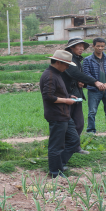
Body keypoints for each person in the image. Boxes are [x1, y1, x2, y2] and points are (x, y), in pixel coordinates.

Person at [62, 38, 106, 154]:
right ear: (71, 47)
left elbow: (79, 77)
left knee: (79, 123)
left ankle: (75, 148)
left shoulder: (77, 59)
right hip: (68, 95)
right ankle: (67, 149)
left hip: (77, 95)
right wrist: (95, 82)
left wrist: (83, 82)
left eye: (83, 46)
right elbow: (74, 73)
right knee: (69, 124)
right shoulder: (69, 58)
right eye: (79, 46)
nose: (82, 48)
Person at [40, 50, 80, 178]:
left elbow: (57, 92)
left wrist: (69, 96)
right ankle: (55, 172)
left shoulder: (57, 74)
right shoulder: (50, 75)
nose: (68, 67)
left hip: (64, 114)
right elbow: (48, 96)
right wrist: (66, 100)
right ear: (58, 62)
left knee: (74, 140)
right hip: (57, 115)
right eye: (66, 64)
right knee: (56, 145)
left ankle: (59, 164)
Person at [82, 38, 106, 137]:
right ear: (93, 46)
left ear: (105, 46)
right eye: (98, 46)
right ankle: (91, 132)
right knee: (92, 111)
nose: (100, 48)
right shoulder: (87, 60)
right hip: (93, 90)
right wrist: (97, 83)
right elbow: (86, 74)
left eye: (102, 46)